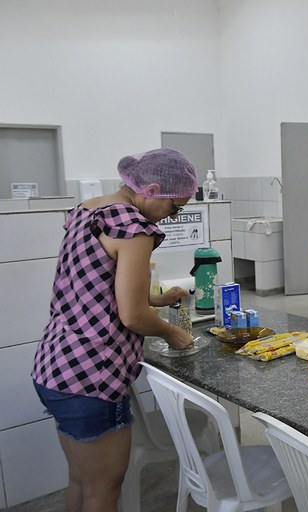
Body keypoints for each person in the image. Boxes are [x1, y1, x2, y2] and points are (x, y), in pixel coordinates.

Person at [31, 148, 198, 512]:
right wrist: (171, 333)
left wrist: (158, 299)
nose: (172, 217)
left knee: (81, 480)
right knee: (104, 491)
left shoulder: (89, 210)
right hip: (91, 376)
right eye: (174, 208)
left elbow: (96, 283)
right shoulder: (132, 226)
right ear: (151, 190)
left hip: (54, 367)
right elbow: (132, 316)